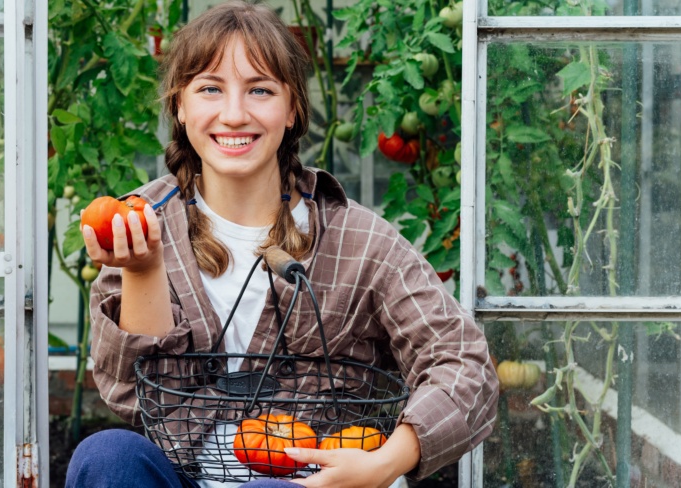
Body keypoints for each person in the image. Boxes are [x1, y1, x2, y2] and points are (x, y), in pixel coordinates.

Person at [63, 2, 498, 487]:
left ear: (292, 108)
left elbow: (465, 364)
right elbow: (135, 397)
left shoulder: (361, 242)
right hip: (188, 474)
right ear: (180, 105)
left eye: (260, 90)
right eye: (210, 88)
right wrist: (144, 270)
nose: (234, 114)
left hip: (315, 483)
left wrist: (385, 462)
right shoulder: (140, 225)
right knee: (107, 455)